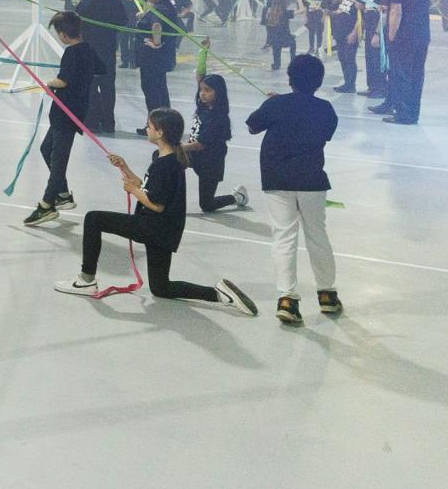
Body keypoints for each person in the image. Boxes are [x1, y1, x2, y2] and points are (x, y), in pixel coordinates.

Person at [53, 107, 256, 316]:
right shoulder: (166, 158)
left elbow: (156, 204)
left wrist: (133, 190)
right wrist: (125, 167)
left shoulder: (165, 165)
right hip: (165, 231)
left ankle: (86, 280)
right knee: (161, 288)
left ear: (160, 132)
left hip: (153, 226)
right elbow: (149, 188)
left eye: (149, 126)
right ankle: (218, 294)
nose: (147, 128)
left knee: (93, 219)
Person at [244, 54, 341, 325]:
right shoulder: (326, 109)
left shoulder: (276, 104)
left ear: (290, 78)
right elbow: (323, 133)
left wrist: (274, 103)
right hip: (312, 180)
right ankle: (327, 296)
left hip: (277, 180)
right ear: (319, 82)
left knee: (284, 237)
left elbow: (252, 126)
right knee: (317, 235)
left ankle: (287, 299)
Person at [22, 11, 98, 228]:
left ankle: (46, 205)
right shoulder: (87, 49)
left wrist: (49, 82)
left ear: (64, 35)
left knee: (58, 160)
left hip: (67, 112)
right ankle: (63, 194)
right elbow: (99, 68)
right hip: (69, 111)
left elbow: (62, 81)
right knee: (47, 150)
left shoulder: (72, 52)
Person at [374, 0, 431, 125]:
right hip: (422, 35)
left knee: (401, 75)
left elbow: (396, 11)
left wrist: (391, 35)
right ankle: (413, 113)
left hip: (404, 36)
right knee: (417, 75)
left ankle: (403, 114)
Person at [183, 73, 246, 214]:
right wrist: (203, 53)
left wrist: (177, 146)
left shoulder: (218, 118)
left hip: (210, 162)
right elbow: (199, 75)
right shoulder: (203, 108)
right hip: (194, 155)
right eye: (201, 90)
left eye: (208, 90)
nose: (202, 94)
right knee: (164, 156)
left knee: (206, 204)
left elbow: (200, 144)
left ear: (218, 93)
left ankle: (237, 196)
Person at [75, 0, 129, 134]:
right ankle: (108, 123)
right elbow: (123, 23)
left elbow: (76, 22)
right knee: (107, 89)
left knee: (90, 88)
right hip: (108, 52)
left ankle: (91, 122)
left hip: (89, 52)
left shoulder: (86, 2)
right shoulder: (116, 3)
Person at [133, 0, 179, 114]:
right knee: (161, 89)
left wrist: (156, 43)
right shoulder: (168, 7)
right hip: (163, 57)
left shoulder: (158, 10)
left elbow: (156, 25)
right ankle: (165, 120)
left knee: (151, 90)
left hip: (151, 58)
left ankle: (155, 122)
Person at [359, 0, 389, 100]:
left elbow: (384, 14)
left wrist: (377, 33)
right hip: (369, 30)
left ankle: (380, 88)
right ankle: (372, 87)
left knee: (378, 61)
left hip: (378, 32)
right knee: (369, 60)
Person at [326, 0, 361, 95]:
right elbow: (335, 12)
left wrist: (354, 32)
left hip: (350, 32)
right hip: (339, 33)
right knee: (343, 58)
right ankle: (347, 83)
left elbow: (360, 17)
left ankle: (351, 85)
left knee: (349, 58)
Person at [260, 0, 297, 71]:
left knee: (276, 47)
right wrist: (299, 0)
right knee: (293, 42)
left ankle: (276, 63)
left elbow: (268, 28)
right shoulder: (286, 13)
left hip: (274, 40)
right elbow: (301, 11)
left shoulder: (270, 15)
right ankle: (293, 60)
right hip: (285, 38)